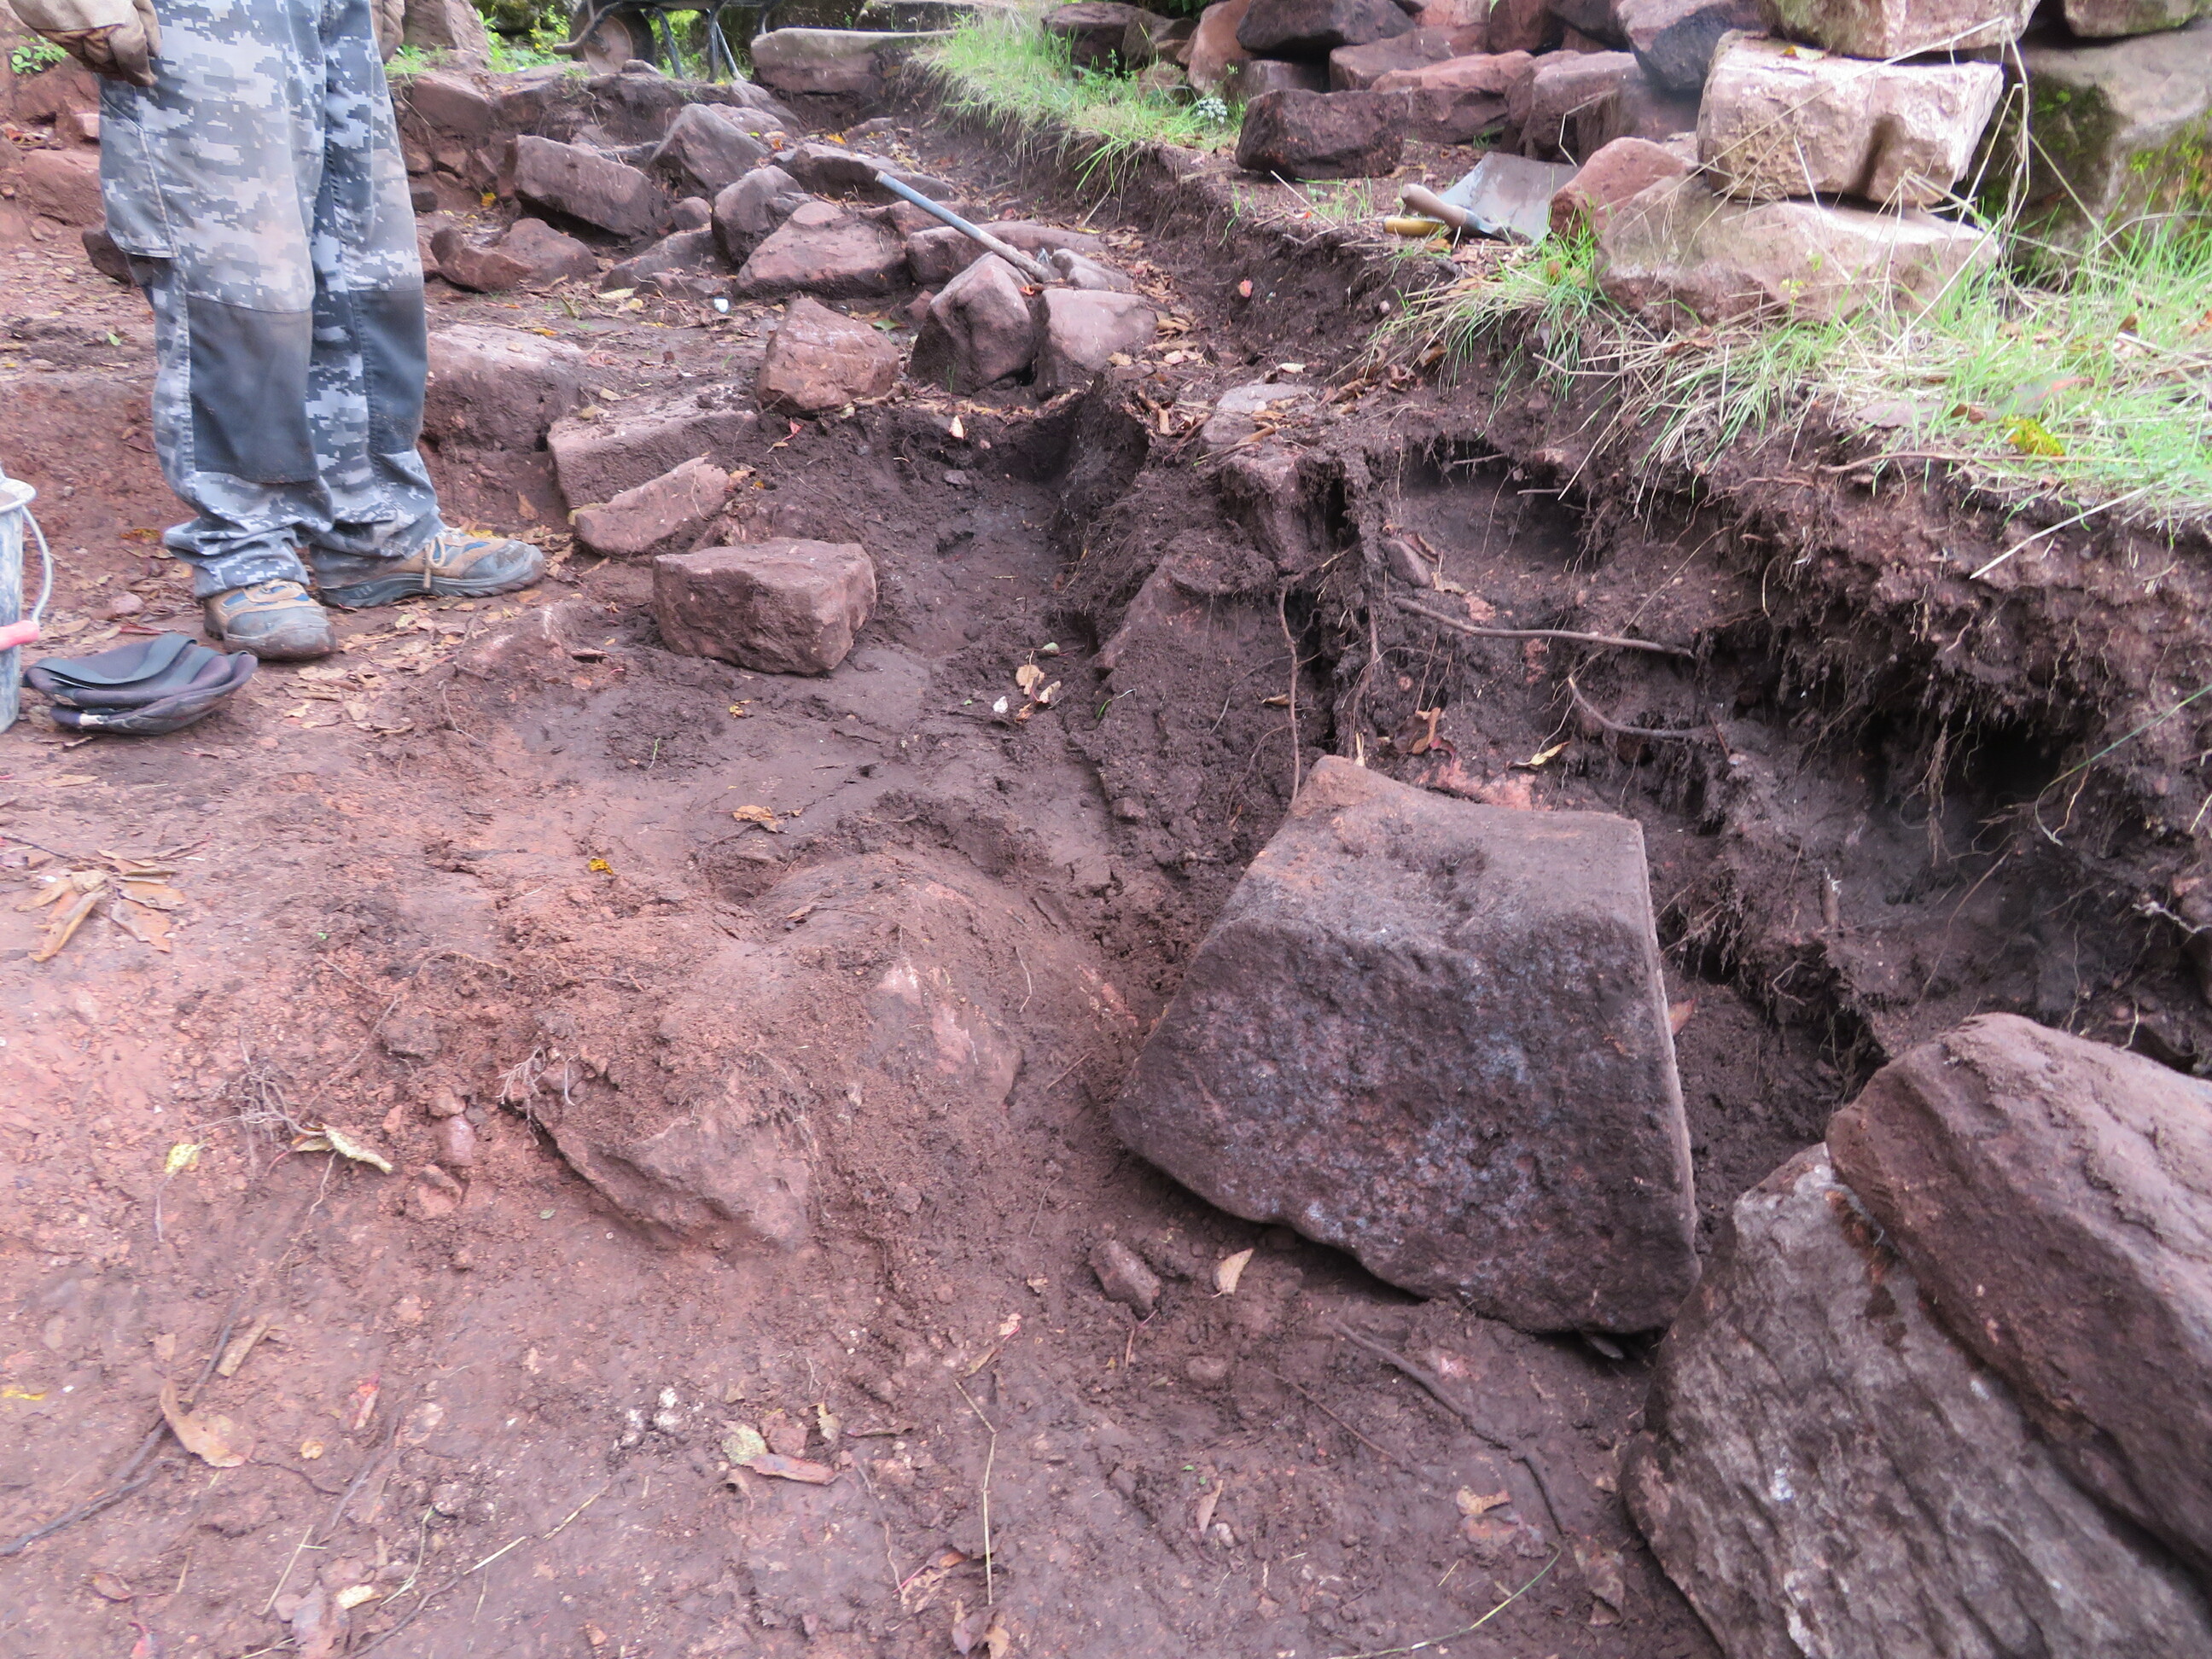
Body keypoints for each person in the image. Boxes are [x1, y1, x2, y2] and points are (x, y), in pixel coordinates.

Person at [13, 0, 542, 661]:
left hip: (330, 15)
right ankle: (247, 555)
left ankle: (377, 528)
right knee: (237, 283)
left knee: (366, 274)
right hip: (198, 20)